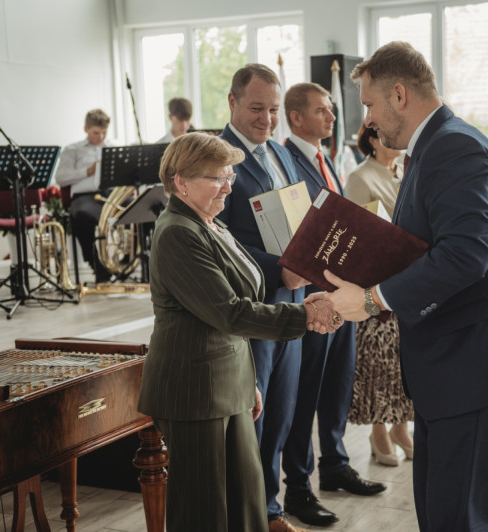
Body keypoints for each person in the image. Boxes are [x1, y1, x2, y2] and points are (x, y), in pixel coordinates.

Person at [309, 42, 488, 532]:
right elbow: (421, 249)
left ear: (399, 95)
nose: (367, 121)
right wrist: (351, 283)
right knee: (439, 513)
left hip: (478, 363)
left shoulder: (453, 147)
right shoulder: (432, 147)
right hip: (454, 365)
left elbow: (466, 255)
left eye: (369, 104)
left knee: (460, 519)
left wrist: (371, 300)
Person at [137, 132, 341, 532]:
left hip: (227, 384)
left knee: (245, 503)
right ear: (180, 182)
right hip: (195, 392)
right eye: (217, 178)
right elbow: (229, 313)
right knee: (205, 514)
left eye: (229, 176)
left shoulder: (210, 223)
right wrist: (304, 316)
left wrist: (248, 383)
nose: (228, 187)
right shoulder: (178, 231)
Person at [281, 83, 385, 527]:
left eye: (331, 110)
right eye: (322, 111)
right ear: (296, 118)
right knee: (306, 391)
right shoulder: (286, 160)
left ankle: (336, 465)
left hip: (342, 290)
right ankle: (298, 486)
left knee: (338, 383)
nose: (331, 117)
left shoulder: (328, 159)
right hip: (311, 294)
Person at [216, 64, 312, 532]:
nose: (267, 119)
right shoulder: (217, 158)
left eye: (273, 109)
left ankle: (270, 507)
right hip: (253, 306)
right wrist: (279, 269)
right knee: (252, 415)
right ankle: (250, 514)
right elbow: (218, 239)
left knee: (281, 411)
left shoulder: (280, 151)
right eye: (257, 108)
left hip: (292, 302)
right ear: (232, 102)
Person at [344, 124, 413, 468]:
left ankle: (401, 427)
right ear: (373, 139)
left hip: (409, 279)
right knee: (379, 361)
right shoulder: (360, 177)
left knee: (403, 360)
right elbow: (357, 235)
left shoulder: (405, 171)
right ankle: (378, 430)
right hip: (377, 283)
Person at [54, 108, 112, 282]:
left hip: (110, 194)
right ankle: (95, 263)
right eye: (96, 132)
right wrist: (88, 171)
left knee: (145, 205)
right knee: (80, 215)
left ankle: (131, 261)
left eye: (104, 132)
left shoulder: (112, 147)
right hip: (85, 197)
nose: (100, 137)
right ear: (86, 129)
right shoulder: (72, 150)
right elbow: (60, 178)